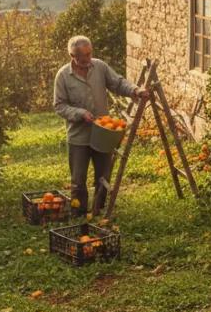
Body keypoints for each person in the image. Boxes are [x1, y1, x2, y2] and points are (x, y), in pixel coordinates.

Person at [53, 36, 148, 215]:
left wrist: (135, 90)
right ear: (73, 56)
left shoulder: (100, 67)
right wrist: (80, 113)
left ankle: (99, 208)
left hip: (104, 134)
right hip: (78, 136)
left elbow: (118, 83)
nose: (88, 58)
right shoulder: (63, 76)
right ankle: (79, 211)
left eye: (89, 53)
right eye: (83, 56)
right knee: (78, 179)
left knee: (103, 175)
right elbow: (59, 105)